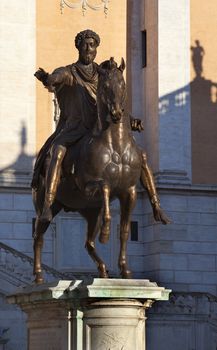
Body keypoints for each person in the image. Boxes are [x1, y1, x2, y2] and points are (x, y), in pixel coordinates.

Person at [32, 29, 168, 224]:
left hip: (97, 127)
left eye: (92, 45)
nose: (89, 48)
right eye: (85, 44)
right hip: (74, 127)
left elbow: (112, 100)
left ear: (96, 49)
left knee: (140, 155)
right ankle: (47, 205)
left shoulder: (102, 74)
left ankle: (155, 203)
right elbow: (56, 77)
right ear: (78, 47)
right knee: (57, 152)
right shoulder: (70, 72)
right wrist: (48, 78)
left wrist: (131, 120)